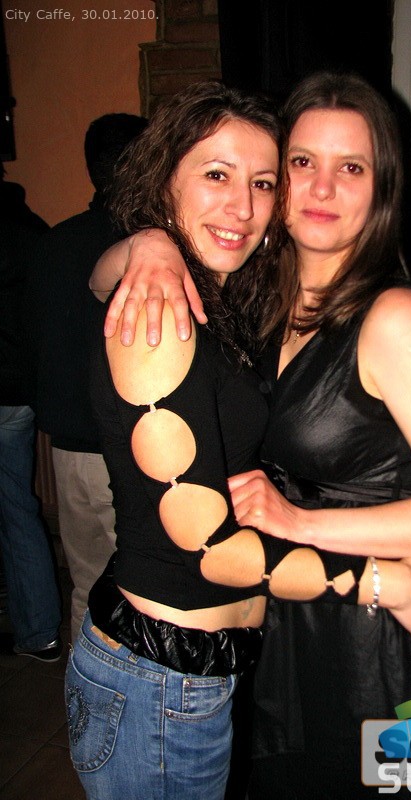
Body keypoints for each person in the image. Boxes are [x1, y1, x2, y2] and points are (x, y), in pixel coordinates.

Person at [92, 71, 411, 798]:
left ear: (383, 188)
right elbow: (100, 283)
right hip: (282, 620)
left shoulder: (397, 318)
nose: (322, 188)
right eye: (302, 163)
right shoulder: (255, 300)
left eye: (353, 168)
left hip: (377, 633)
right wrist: (150, 243)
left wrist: (302, 521)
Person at [24, 113, 147, 644]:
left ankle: (84, 688)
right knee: (142, 594)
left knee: (87, 586)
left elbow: (33, 339)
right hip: (123, 449)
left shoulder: (54, 242)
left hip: (66, 446)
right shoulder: (147, 248)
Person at [0, 166, 63, 662]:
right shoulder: (35, 231)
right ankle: (34, 621)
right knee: (17, 507)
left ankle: (37, 626)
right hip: (22, 393)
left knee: (15, 509)